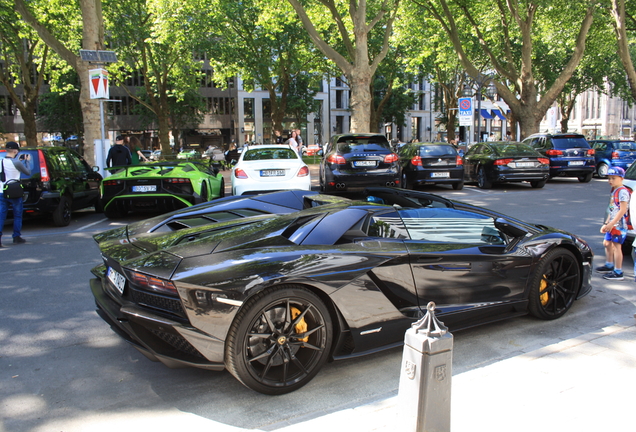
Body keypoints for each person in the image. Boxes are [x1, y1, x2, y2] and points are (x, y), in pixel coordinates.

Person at [596, 166, 631, 280]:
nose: (610, 181)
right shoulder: (615, 190)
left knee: (617, 247)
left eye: (613, 178)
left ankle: (618, 271)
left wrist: (612, 224)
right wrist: (606, 223)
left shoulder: (622, 192)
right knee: (607, 243)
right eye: (609, 178)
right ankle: (609, 264)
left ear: (621, 178)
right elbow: (612, 209)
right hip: (612, 224)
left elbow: (622, 210)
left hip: (619, 225)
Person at [0, 141, 30, 246]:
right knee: (17, 215)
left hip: (2, 191)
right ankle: (16, 236)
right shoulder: (17, 163)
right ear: (15, 151)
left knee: (1, 215)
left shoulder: (1, 161)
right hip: (14, 192)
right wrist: (27, 161)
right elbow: (28, 172)